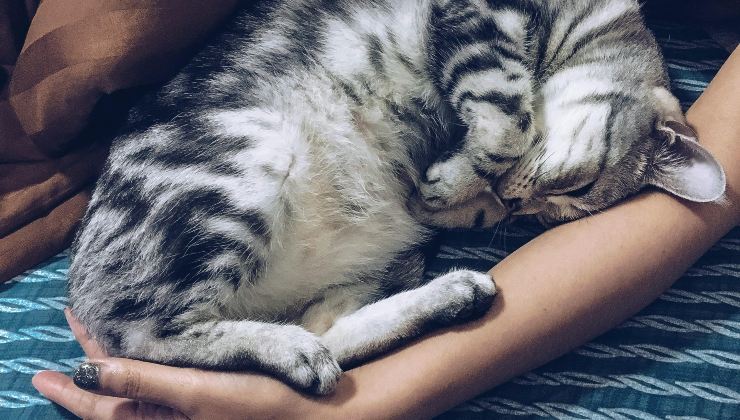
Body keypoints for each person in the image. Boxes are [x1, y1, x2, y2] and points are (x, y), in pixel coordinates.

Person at [32, 47, 739, 420]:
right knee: (255, 166)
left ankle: (333, 333)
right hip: (280, 118)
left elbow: (706, 190)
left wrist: (369, 402)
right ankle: (178, 332)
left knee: (362, 254)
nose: (519, 193)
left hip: (349, 198)